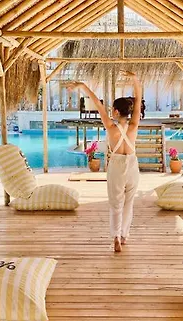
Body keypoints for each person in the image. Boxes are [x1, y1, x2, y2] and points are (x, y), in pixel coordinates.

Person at [67, 71, 142, 253]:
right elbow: (139, 99)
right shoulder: (134, 125)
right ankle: (124, 236)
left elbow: (98, 104)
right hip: (132, 165)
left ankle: (116, 237)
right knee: (128, 203)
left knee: (116, 204)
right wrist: (135, 79)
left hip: (116, 164)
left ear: (116, 111)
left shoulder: (110, 127)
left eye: (112, 110)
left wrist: (83, 86)